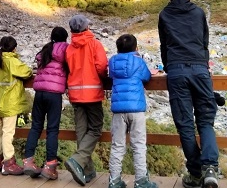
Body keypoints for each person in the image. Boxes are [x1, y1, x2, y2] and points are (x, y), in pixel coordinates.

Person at [158, 0, 219, 188]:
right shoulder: (199, 12)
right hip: (200, 70)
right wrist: (203, 63)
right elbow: (204, 42)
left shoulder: (164, 14)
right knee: (205, 121)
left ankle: (194, 174)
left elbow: (163, 45)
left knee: (185, 124)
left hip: (176, 70)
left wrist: (169, 66)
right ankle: (210, 167)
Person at [64, 14, 108, 186]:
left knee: (81, 131)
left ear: (72, 30)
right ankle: (77, 160)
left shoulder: (69, 48)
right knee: (96, 129)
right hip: (92, 94)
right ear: (87, 27)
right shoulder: (95, 44)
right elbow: (102, 67)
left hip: (75, 94)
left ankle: (87, 171)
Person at [108, 34, 157, 188]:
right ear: (136, 48)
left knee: (117, 145)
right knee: (139, 145)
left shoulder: (112, 62)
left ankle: (114, 180)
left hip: (118, 110)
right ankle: (141, 180)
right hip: (136, 109)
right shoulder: (139, 62)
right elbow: (147, 77)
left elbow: (109, 75)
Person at [23, 26, 70, 180]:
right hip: (54, 94)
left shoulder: (45, 50)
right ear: (65, 38)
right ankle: (50, 165)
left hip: (39, 93)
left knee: (36, 126)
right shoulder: (66, 50)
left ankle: (28, 161)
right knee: (52, 129)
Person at [0, 35, 33, 176]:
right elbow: (27, 72)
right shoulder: (12, 62)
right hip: (10, 103)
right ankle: (8, 162)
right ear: (14, 48)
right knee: (8, 132)